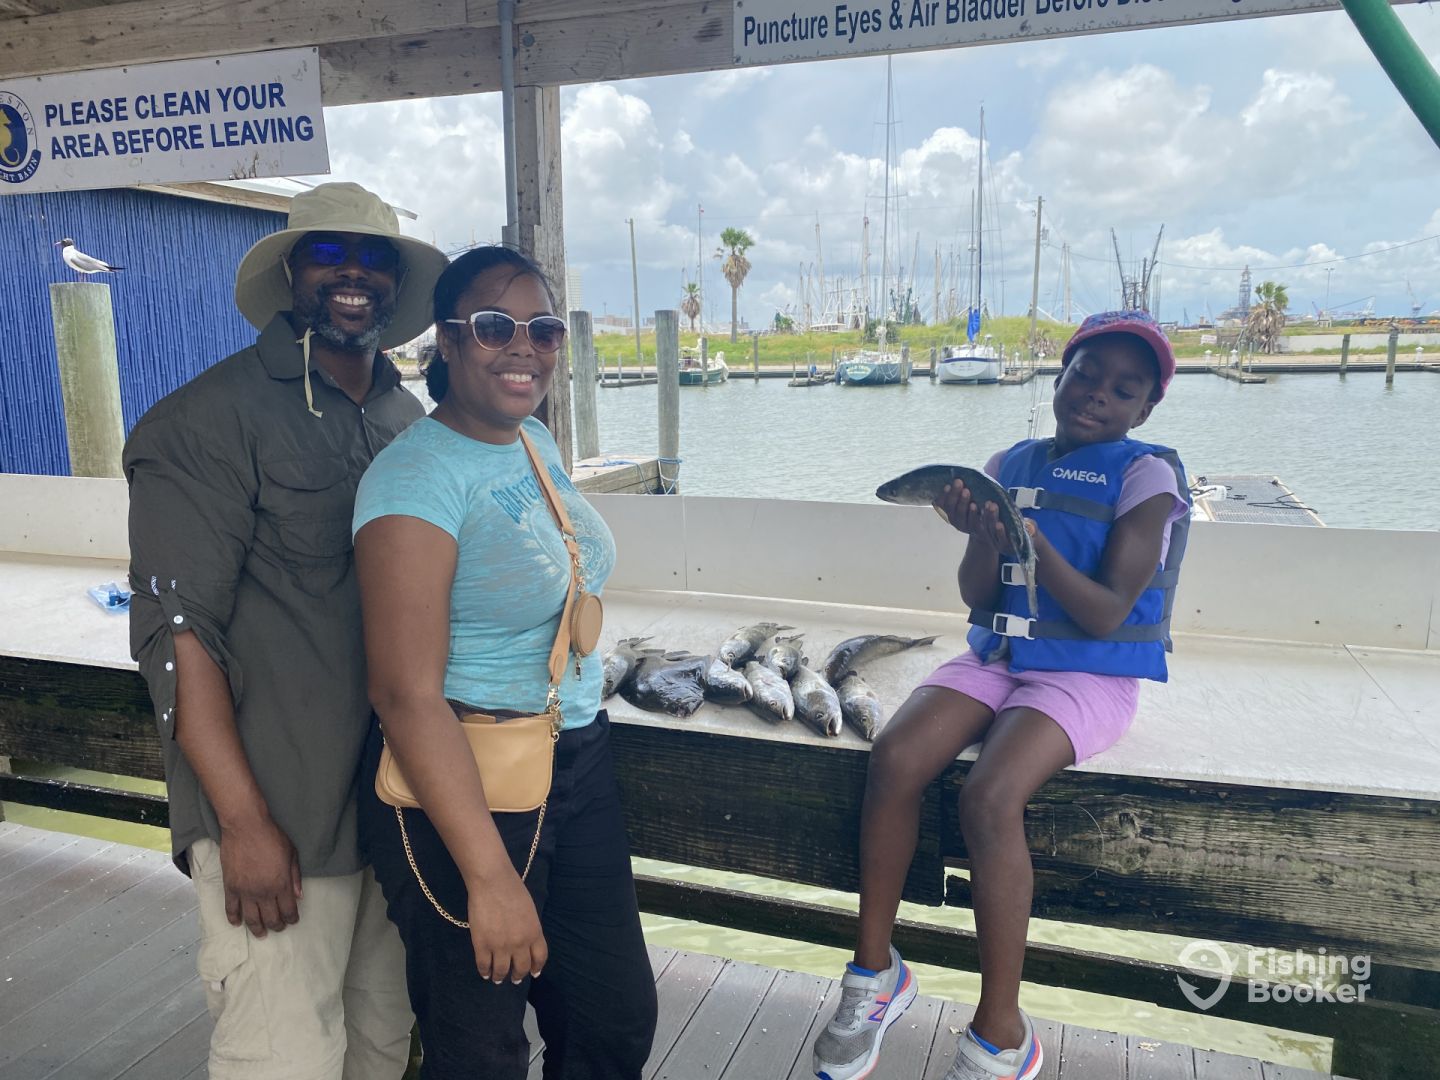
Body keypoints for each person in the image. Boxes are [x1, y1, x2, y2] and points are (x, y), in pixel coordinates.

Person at [125, 182, 449, 1079]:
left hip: (392, 811)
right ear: (291, 273)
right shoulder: (204, 420)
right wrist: (242, 823)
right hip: (279, 813)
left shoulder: (406, 420)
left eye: (374, 257)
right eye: (328, 253)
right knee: (283, 1059)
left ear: (395, 284)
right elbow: (179, 635)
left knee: (383, 1047)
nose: (353, 273)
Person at [813, 311, 1190, 1080]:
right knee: (895, 755)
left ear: (1145, 409)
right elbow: (979, 598)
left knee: (988, 796)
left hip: (1089, 673)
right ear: (1061, 374)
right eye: (1085, 373)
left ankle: (1001, 1030)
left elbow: (1105, 613)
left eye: (1123, 389)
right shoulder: (1005, 464)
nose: (1097, 394)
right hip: (1000, 655)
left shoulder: (1147, 475)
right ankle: (874, 972)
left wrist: (1033, 539)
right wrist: (987, 537)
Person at [352, 246, 658, 1079]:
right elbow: (404, 694)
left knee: (612, 1022)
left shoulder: (531, 439)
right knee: (480, 1052)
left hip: (575, 756)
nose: (524, 347)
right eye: (495, 327)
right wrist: (489, 878)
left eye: (544, 330)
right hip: (468, 779)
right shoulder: (414, 480)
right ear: (447, 341)